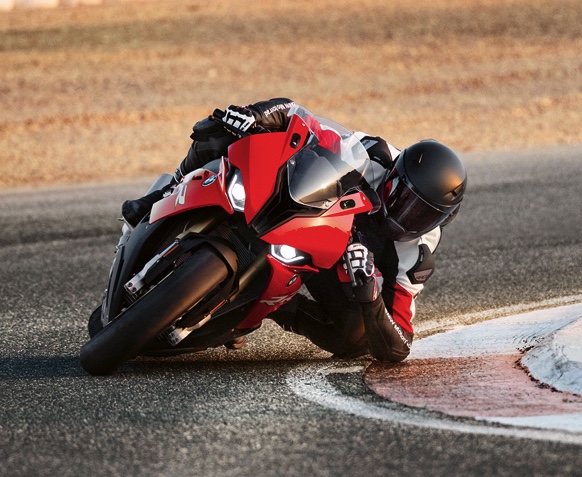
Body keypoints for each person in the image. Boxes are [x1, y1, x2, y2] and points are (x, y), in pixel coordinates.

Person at [122, 98, 467, 362]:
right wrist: (256, 115)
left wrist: (372, 297)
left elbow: (401, 343)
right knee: (220, 129)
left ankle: (269, 308)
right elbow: (305, 120)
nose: (409, 217)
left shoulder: (418, 253)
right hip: (302, 205)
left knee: (356, 338)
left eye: (425, 215)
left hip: (328, 261)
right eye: (406, 199)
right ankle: (160, 196)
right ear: (395, 174)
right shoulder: (373, 153)